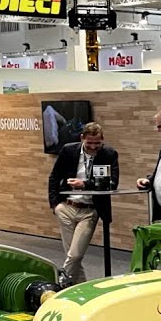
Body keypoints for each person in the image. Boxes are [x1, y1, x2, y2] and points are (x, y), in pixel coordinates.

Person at [47, 122, 119, 285]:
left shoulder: (109, 154)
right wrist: (55, 205)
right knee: (72, 255)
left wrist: (85, 184)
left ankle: (59, 283)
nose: (93, 147)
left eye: (97, 143)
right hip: (66, 208)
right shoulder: (68, 150)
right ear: (82, 139)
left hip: (89, 211)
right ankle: (81, 288)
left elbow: (112, 184)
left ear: (103, 140)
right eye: (89, 143)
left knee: (75, 255)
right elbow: (54, 177)